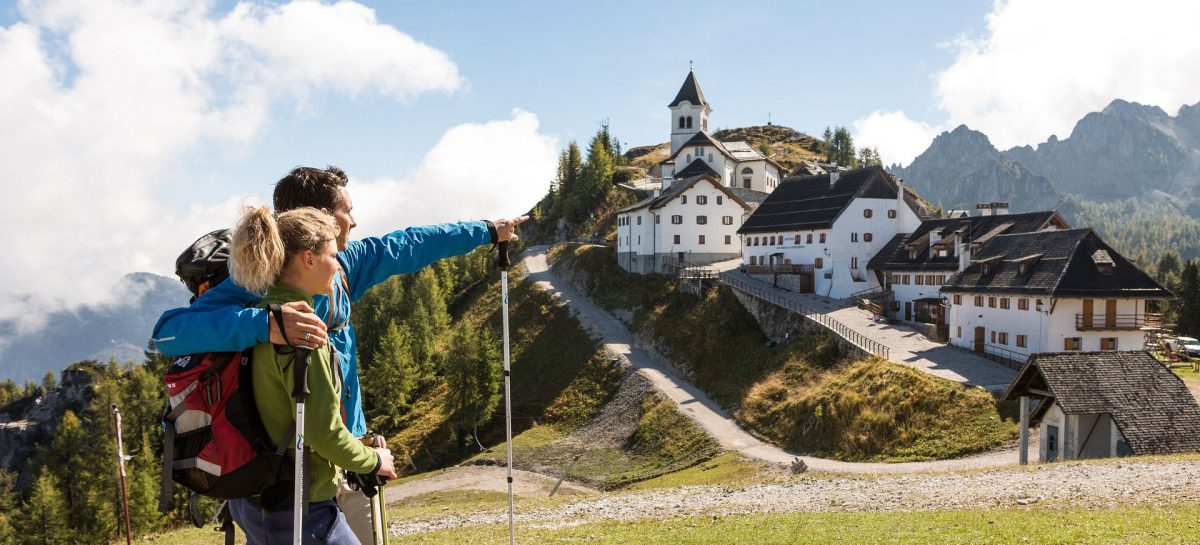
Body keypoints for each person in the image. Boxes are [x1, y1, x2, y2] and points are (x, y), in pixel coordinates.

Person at [152, 166, 525, 541]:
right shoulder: (254, 281)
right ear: (319, 222)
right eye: (347, 210)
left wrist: (488, 231)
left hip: (346, 456)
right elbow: (166, 335)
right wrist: (263, 324)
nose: (355, 221)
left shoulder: (343, 266)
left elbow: (410, 244)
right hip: (288, 472)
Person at [225, 205, 398, 544]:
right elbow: (323, 432)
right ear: (308, 259)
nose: (337, 264)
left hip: (253, 497)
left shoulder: (259, 319)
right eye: (332, 254)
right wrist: (374, 461)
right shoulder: (303, 331)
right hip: (300, 508)